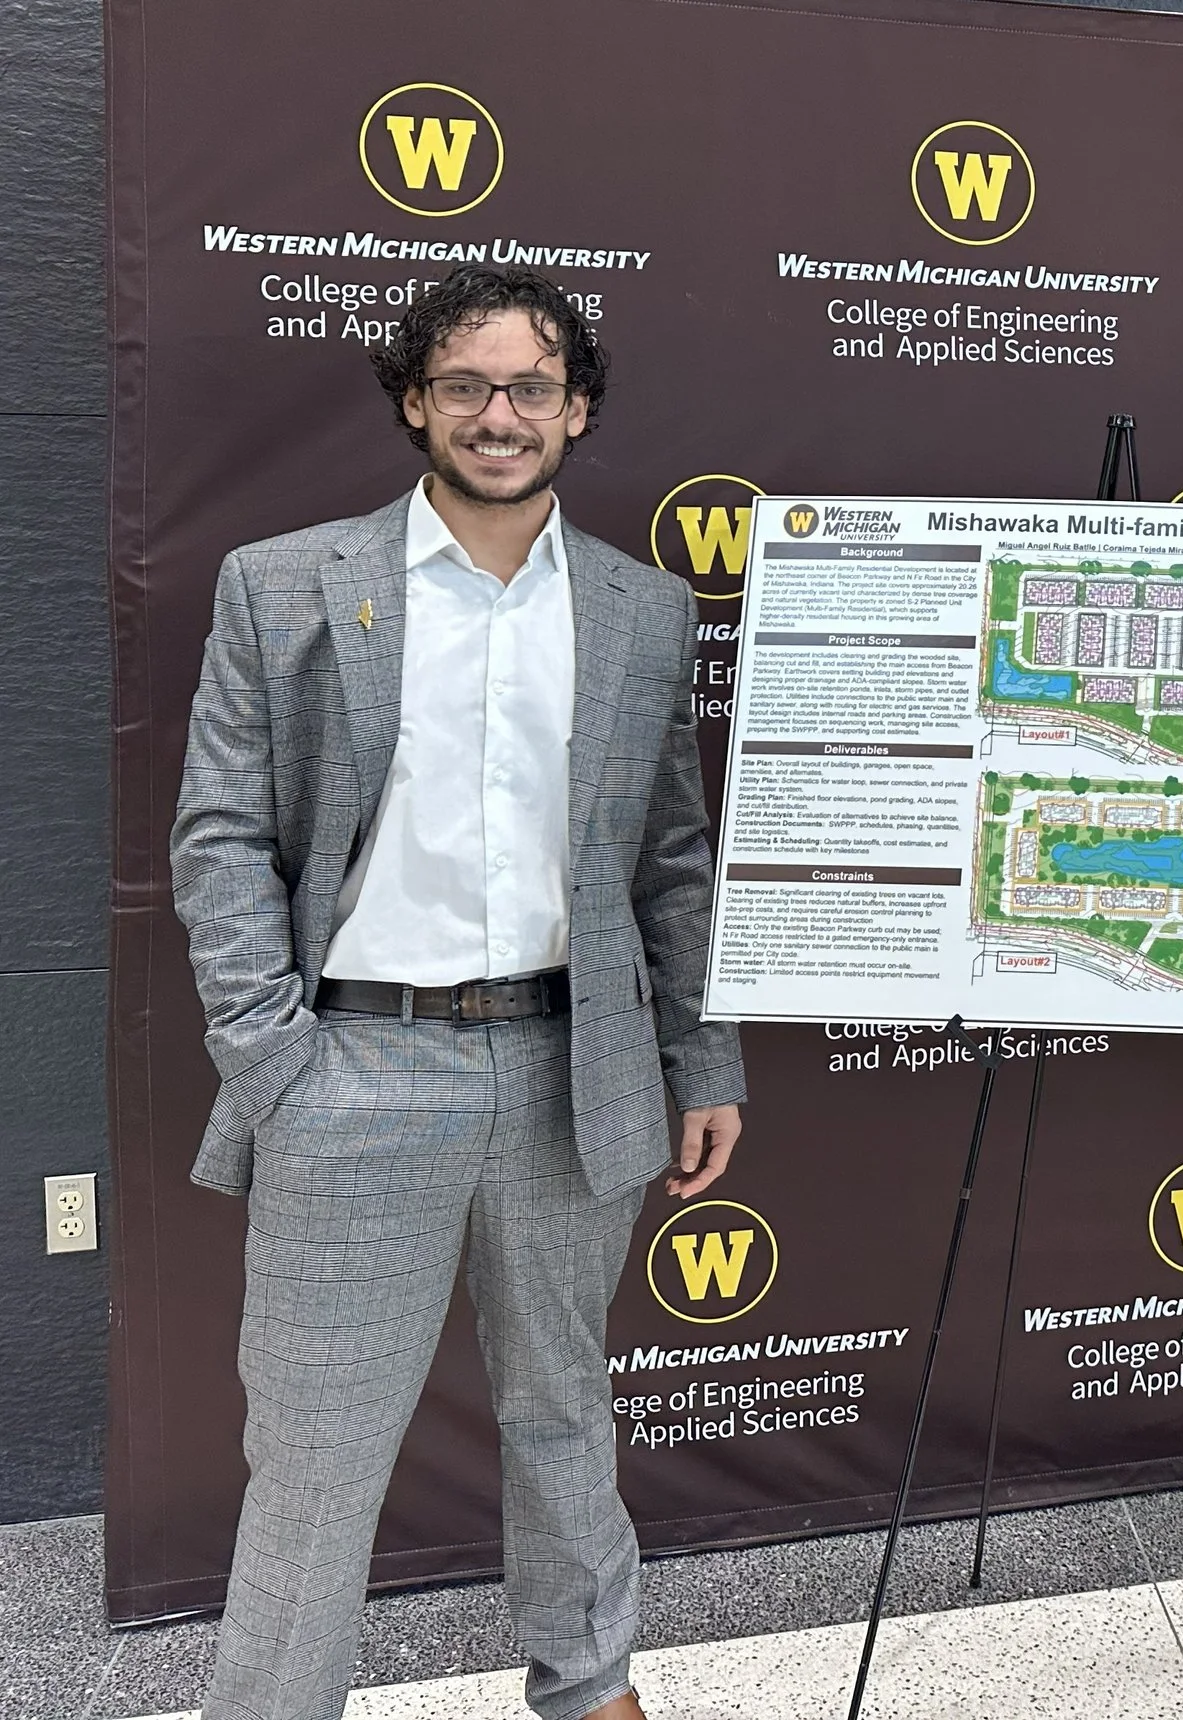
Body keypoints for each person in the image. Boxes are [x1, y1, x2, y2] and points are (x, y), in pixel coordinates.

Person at [170, 263, 748, 1720]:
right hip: (354, 1075)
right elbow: (220, 836)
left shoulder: (641, 610)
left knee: (565, 1416)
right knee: (314, 1453)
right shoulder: (284, 585)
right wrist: (273, 1059)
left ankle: (591, 1687)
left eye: (532, 387)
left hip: (574, 1071)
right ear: (416, 404)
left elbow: (671, 860)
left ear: (578, 408)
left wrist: (704, 1063)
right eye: (468, 386)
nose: (501, 415)